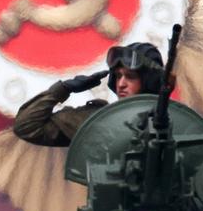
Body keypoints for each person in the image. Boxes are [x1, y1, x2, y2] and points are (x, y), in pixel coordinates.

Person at [14, 42, 165, 146]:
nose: (121, 84)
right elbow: (27, 127)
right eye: (118, 76)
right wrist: (63, 89)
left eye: (130, 76)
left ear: (150, 82)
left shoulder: (174, 124)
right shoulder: (97, 121)